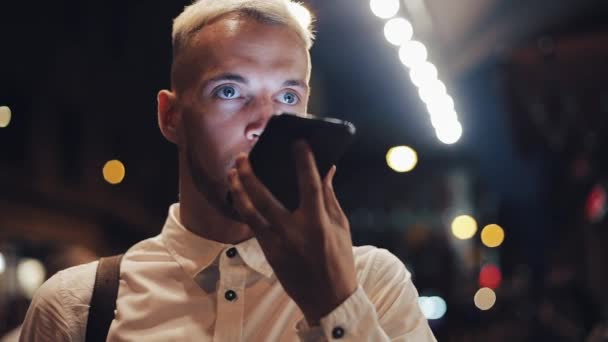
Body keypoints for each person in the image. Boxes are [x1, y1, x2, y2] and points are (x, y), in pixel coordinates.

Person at [20, 0, 436, 340]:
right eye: (229, 91)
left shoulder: (374, 283)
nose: (265, 121)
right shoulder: (77, 305)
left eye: (288, 96)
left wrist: (336, 306)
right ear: (171, 116)